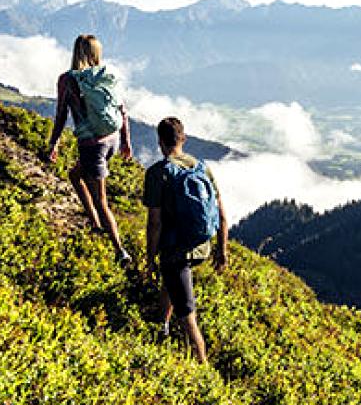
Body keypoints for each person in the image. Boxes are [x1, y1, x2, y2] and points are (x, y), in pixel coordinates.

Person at [143, 116, 228, 360]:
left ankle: (203, 372)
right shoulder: (201, 168)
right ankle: (161, 326)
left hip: (176, 251)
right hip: (202, 246)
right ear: (184, 139)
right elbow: (222, 215)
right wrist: (222, 251)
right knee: (170, 284)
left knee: (188, 316)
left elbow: (155, 223)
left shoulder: (158, 173)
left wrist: (150, 258)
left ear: (160, 142)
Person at [45, 34, 134, 264]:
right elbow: (122, 111)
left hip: (92, 145)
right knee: (75, 175)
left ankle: (120, 250)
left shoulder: (67, 80)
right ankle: (95, 225)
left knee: (101, 200)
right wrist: (126, 142)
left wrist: (53, 143)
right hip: (112, 140)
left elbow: (62, 114)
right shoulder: (108, 76)